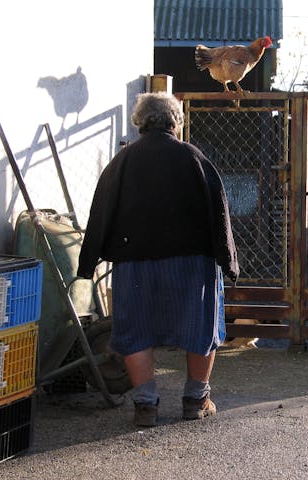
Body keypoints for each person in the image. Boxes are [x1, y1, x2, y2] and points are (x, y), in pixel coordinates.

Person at [77, 92, 239, 427]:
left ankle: (145, 406)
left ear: (140, 123)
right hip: (192, 263)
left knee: (136, 331)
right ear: (175, 122)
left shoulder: (122, 161)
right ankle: (196, 399)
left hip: (135, 261)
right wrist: (228, 260)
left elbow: (101, 210)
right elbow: (218, 211)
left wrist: (88, 261)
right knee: (200, 327)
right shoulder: (193, 157)